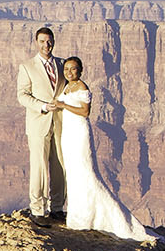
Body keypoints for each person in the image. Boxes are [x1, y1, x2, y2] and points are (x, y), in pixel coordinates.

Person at [51, 56, 155, 241]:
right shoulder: (67, 86)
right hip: (68, 134)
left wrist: (64, 105)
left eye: (73, 69)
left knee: (86, 172)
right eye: (66, 69)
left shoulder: (82, 87)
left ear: (80, 70)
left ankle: (105, 217)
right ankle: (79, 215)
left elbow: (85, 112)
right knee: (74, 173)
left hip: (80, 133)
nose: (69, 72)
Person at [15, 26, 64, 224]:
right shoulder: (27, 66)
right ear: (37, 42)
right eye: (43, 41)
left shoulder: (62, 65)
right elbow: (22, 95)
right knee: (40, 167)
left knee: (61, 165)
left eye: (49, 41)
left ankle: (58, 208)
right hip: (38, 123)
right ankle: (38, 210)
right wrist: (42, 106)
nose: (47, 45)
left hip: (60, 123)